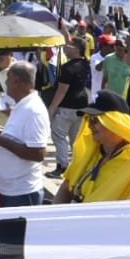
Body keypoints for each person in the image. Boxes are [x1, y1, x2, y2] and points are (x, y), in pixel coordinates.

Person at [54, 90, 130, 203]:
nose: (90, 126)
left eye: (95, 120)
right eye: (88, 120)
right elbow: (66, 188)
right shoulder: (89, 153)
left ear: (115, 123)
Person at [0, 60, 50, 207]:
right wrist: (2, 133)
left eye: (7, 79)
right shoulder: (22, 105)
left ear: (16, 81)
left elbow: (38, 153)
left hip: (22, 193)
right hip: (12, 189)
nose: (5, 83)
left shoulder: (33, 110)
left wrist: (1, 141)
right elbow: (21, 138)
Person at [46, 37, 91, 177]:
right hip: (82, 106)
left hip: (67, 107)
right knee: (75, 139)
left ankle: (62, 166)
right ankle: (80, 167)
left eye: (69, 46)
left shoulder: (67, 68)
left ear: (76, 49)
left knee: (58, 135)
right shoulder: (85, 64)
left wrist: (52, 108)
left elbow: (61, 91)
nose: (66, 48)